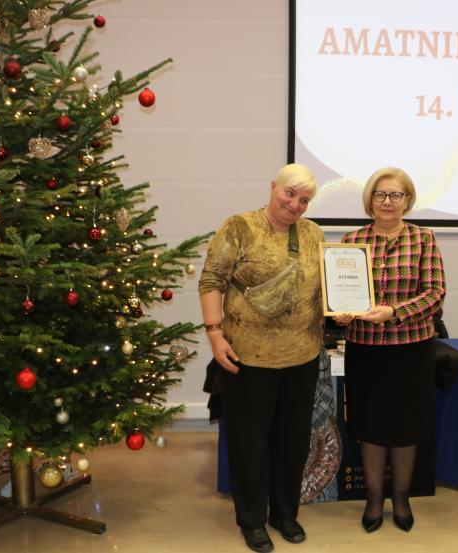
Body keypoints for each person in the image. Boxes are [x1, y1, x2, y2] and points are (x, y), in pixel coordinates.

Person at [198, 163, 324, 553]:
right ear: (273, 188)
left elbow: (325, 287)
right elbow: (211, 281)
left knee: (292, 442)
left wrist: (345, 309)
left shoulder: (313, 233)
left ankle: (284, 515)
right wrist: (215, 335)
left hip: (302, 357)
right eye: (290, 194)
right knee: (249, 444)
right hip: (247, 358)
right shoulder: (239, 227)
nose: (295, 205)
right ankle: (252, 520)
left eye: (304, 200)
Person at [333, 167, 445, 533]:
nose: (387, 201)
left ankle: (401, 498)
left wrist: (394, 312)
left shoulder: (423, 239)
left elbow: (435, 295)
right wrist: (340, 313)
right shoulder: (351, 241)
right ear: (370, 200)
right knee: (370, 426)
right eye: (380, 194)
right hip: (365, 350)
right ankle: (373, 499)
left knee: (405, 426)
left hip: (411, 350)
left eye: (396, 195)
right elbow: (339, 295)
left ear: (407, 201)